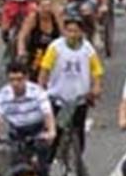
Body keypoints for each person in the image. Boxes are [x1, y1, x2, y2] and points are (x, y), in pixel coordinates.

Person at [38, 15, 103, 166]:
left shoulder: (87, 49)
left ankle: (76, 160)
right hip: (58, 97)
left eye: (75, 31)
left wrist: (96, 87)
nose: (72, 34)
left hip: (79, 98)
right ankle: (46, 166)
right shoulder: (55, 48)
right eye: (69, 31)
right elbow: (45, 70)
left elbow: (97, 70)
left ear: (81, 32)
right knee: (56, 132)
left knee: (78, 131)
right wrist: (41, 89)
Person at [0, 62, 55, 176]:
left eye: (19, 79)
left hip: (37, 129)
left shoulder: (37, 91)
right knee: (16, 165)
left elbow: (47, 113)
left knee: (42, 152)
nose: (15, 84)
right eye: (12, 80)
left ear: (26, 78)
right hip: (17, 131)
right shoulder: (3, 95)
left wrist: (51, 131)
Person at [16, 0, 63, 81]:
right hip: (38, 52)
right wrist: (21, 51)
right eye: (43, 7)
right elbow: (22, 36)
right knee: (35, 74)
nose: (46, 9)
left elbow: (65, 35)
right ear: (38, 8)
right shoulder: (33, 18)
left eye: (49, 6)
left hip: (53, 52)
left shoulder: (56, 17)